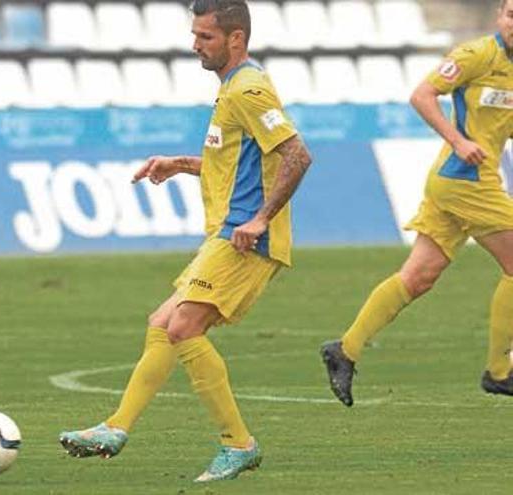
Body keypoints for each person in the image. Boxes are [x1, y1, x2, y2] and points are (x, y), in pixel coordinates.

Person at [58, 0, 312, 483]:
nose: (195, 44)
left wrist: (260, 219)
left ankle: (238, 443)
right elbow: (240, 162)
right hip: (226, 233)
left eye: (205, 36)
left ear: (236, 39)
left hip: (244, 239)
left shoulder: (251, 89)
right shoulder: (233, 89)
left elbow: (297, 155)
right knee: (162, 323)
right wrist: (181, 164)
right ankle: (115, 428)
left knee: (183, 329)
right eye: (194, 34)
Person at [321, 0, 513, 406]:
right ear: (499, 15)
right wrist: (458, 141)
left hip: (459, 183)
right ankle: (499, 371)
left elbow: (498, 126)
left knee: (419, 277)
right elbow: (422, 95)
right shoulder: (477, 54)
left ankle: (346, 350)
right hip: (465, 181)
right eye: (512, 14)